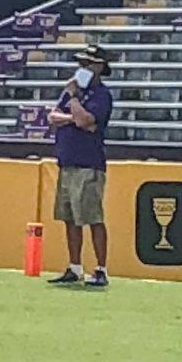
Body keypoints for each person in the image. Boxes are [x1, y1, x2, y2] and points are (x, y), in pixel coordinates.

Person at [47, 44, 115, 289]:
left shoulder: (100, 95)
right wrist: (73, 117)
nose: (82, 68)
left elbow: (88, 120)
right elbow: (53, 117)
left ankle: (100, 268)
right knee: (70, 218)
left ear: (99, 67)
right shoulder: (71, 93)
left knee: (92, 217)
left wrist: (74, 102)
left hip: (88, 163)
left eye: (87, 64)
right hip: (67, 162)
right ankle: (75, 267)